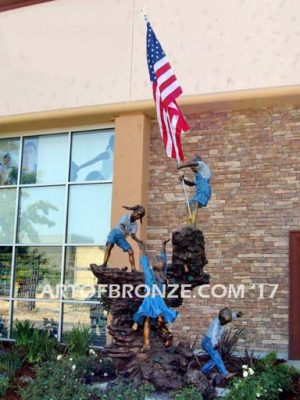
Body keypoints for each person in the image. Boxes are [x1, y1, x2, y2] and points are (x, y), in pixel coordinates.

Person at [132, 237, 178, 352]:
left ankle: (146, 345)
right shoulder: (163, 274)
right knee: (160, 320)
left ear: (154, 265)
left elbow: (144, 260)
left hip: (149, 300)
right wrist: (163, 245)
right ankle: (168, 334)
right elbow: (164, 259)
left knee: (147, 321)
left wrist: (141, 245)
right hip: (159, 300)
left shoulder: (150, 274)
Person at [90, 204, 145, 273]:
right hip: (115, 232)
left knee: (130, 251)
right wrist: (126, 232)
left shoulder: (135, 225)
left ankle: (133, 269)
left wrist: (138, 241)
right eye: (137, 214)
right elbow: (122, 225)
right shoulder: (125, 217)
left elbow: (133, 235)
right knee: (110, 245)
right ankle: (104, 264)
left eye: (139, 216)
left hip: (121, 237)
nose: (137, 216)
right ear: (134, 211)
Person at [201, 307, 243, 379]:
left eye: (226, 322)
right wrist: (215, 344)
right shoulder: (216, 324)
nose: (225, 324)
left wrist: (236, 315)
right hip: (208, 342)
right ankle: (225, 374)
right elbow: (213, 335)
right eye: (224, 322)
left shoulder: (223, 319)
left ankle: (203, 371)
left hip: (210, 342)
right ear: (221, 319)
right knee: (216, 357)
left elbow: (230, 316)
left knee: (216, 359)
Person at [177, 155, 212, 226]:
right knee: (189, 204)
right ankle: (189, 222)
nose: (191, 169)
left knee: (194, 203)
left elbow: (193, 163)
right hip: (199, 193)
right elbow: (192, 184)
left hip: (204, 191)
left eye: (192, 167)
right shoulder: (197, 174)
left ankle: (192, 224)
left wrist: (181, 166)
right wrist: (183, 180)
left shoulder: (202, 165)